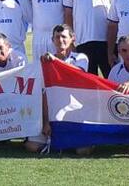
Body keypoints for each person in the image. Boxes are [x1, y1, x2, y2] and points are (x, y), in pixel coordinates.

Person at [25, 24, 88, 153]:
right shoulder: (46, 62)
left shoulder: (80, 57)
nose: (60, 40)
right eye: (57, 37)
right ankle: (55, 145)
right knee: (30, 145)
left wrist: (56, 61)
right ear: (52, 40)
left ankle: (63, 143)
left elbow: (78, 74)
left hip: (74, 112)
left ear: (72, 38)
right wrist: (46, 122)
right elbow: (44, 94)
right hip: (53, 113)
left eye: (64, 37)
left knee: (83, 150)